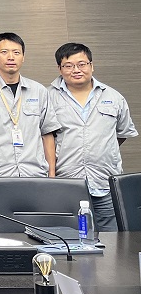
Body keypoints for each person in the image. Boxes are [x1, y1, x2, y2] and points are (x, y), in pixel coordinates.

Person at [0, 32, 58, 227]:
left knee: (36, 231)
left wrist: (51, 176)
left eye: (16, 52)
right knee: (0, 234)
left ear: (23, 56)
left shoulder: (39, 91)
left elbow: (47, 134)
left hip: (34, 175)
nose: (10, 57)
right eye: (4, 52)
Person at [49, 42, 137, 232]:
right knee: (70, 239)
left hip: (105, 182)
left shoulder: (114, 97)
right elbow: (43, 138)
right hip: (67, 182)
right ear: (59, 69)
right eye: (68, 65)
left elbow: (122, 133)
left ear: (92, 65)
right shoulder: (48, 98)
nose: (76, 70)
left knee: (112, 240)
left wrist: (100, 149)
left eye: (82, 64)